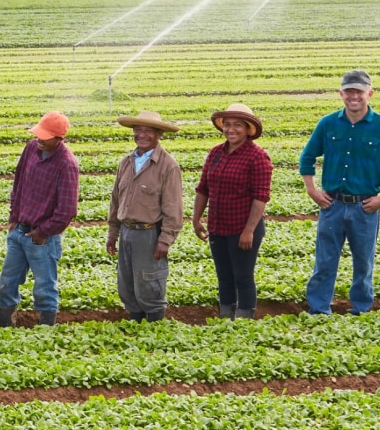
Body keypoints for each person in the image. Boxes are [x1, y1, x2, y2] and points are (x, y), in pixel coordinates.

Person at [299, 70, 380, 315]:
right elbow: (307, 157)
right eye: (349, 92)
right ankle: (318, 309)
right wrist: (312, 190)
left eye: (359, 91)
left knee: (363, 262)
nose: (354, 96)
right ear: (341, 94)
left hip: (364, 207)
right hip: (332, 205)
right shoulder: (328, 123)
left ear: (370, 93)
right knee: (325, 261)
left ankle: (361, 308)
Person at [0, 111, 80, 327]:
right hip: (19, 230)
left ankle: (45, 331)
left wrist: (42, 232)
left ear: (59, 139)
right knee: (7, 282)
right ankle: (4, 327)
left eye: (45, 137)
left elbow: (67, 210)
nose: (40, 140)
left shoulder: (67, 164)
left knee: (44, 287)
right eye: (38, 135)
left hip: (41, 237)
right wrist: (14, 217)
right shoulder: (32, 148)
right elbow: (19, 182)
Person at [191, 103, 271, 320]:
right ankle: (226, 317)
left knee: (243, 276)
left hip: (242, 227)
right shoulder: (216, 153)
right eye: (227, 125)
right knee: (224, 276)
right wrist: (196, 218)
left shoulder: (257, 156)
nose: (231, 129)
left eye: (237, 125)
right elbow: (203, 188)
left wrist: (249, 231)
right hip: (218, 226)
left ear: (248, 129)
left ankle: (244, 319)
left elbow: (260, 196)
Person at [107, 111, 184, 322]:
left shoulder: (168, 166)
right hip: (126, 231)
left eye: (148, 130)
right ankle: (136, 324)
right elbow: (116, 200)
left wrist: (165, 239)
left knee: (150, 283)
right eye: (138, 130)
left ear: (159, 134)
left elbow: (173, 208)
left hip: (149, 233)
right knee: (127, 284)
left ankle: (154, 325)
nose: (142, 135)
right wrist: (113, 233)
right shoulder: (126, 162)